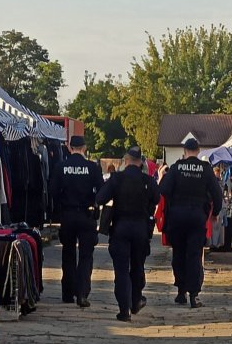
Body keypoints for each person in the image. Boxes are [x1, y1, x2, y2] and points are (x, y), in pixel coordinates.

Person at [96, 146, 160, 322]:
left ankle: (124, 310)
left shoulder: (117, 178)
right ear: (140, 162)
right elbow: (157, 198)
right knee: (138, 266)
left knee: (121, 270)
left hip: (120, 229)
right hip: (140, 229)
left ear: (125, 160)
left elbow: (100, 197)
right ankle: (135, 300)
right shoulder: (147, 180)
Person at [158, 138, 222, 308]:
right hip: (197, 218)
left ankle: (180, 292)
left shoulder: (177, 167)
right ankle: (193, 295)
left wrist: (162, 178)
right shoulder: (206, 169)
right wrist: (214, 213)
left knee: (178, 254)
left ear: (184, 151)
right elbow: (217, 193)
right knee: (194, 255)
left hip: (177, 217)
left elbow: (163, 190)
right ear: (199, 150)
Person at [50, 136, 104, 307]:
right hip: (86, 215)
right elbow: (101, 191)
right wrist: (93, 202)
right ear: (84, 147)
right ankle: (82, 294)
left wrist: (60, 206)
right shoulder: (92, 167)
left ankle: (67, 293)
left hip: (67, 215)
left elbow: (52, 191)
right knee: (86, 255)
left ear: (69, 147)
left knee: (68, 253)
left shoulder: (61, 167)